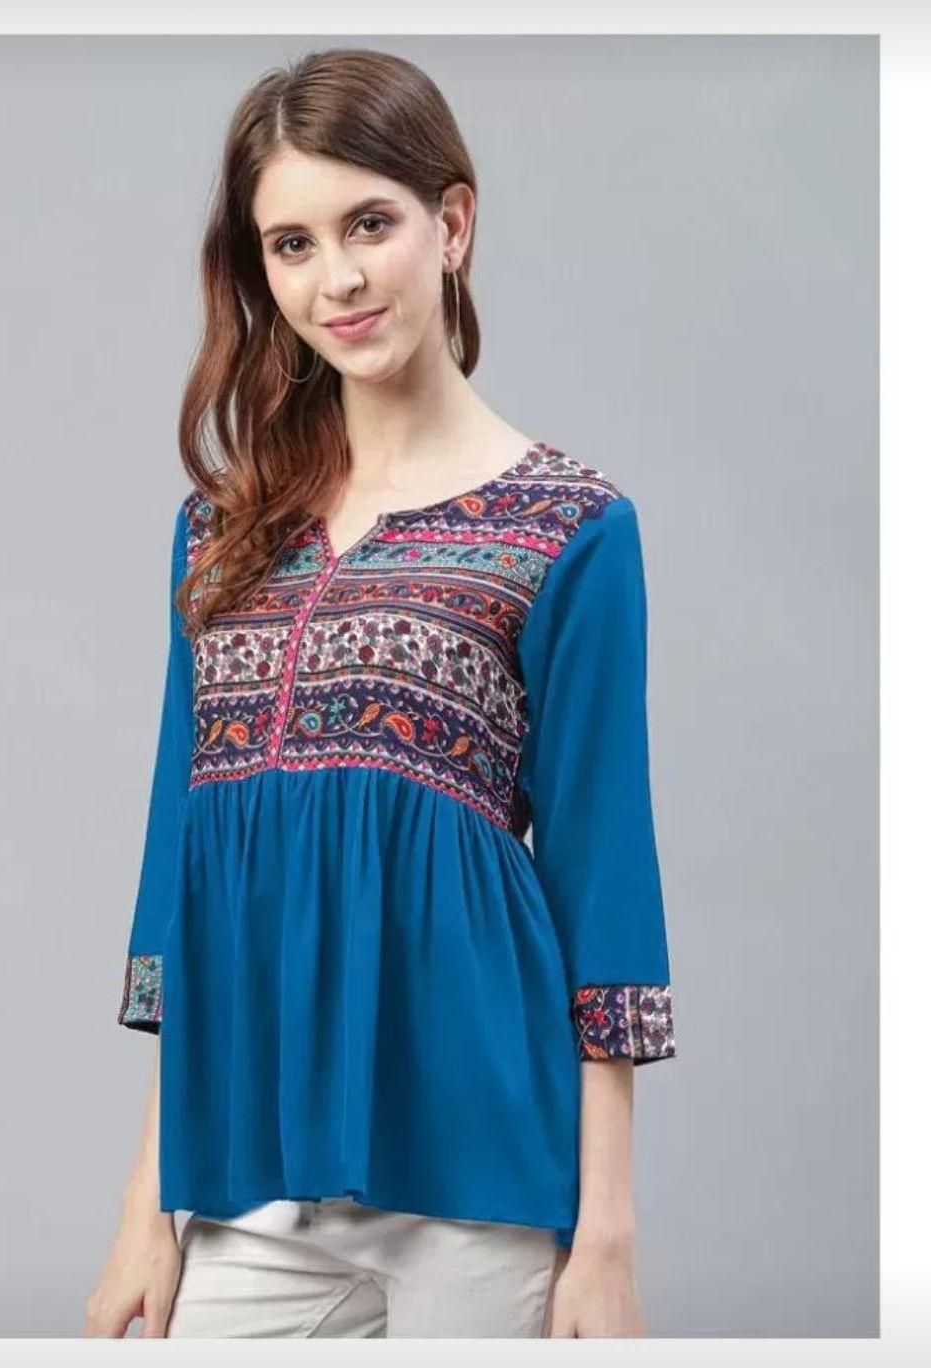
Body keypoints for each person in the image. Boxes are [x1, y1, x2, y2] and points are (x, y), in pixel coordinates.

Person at [83, 46, 676, 1340]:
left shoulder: (570, 528)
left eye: (369, 225)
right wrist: (145, 1197)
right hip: (245, 1176)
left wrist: (607, 1237)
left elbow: (604, 886)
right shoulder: (220, 536)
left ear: (450, 226)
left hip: (484, 1183)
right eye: (291, 244)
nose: (337, 280)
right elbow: (184, 858)